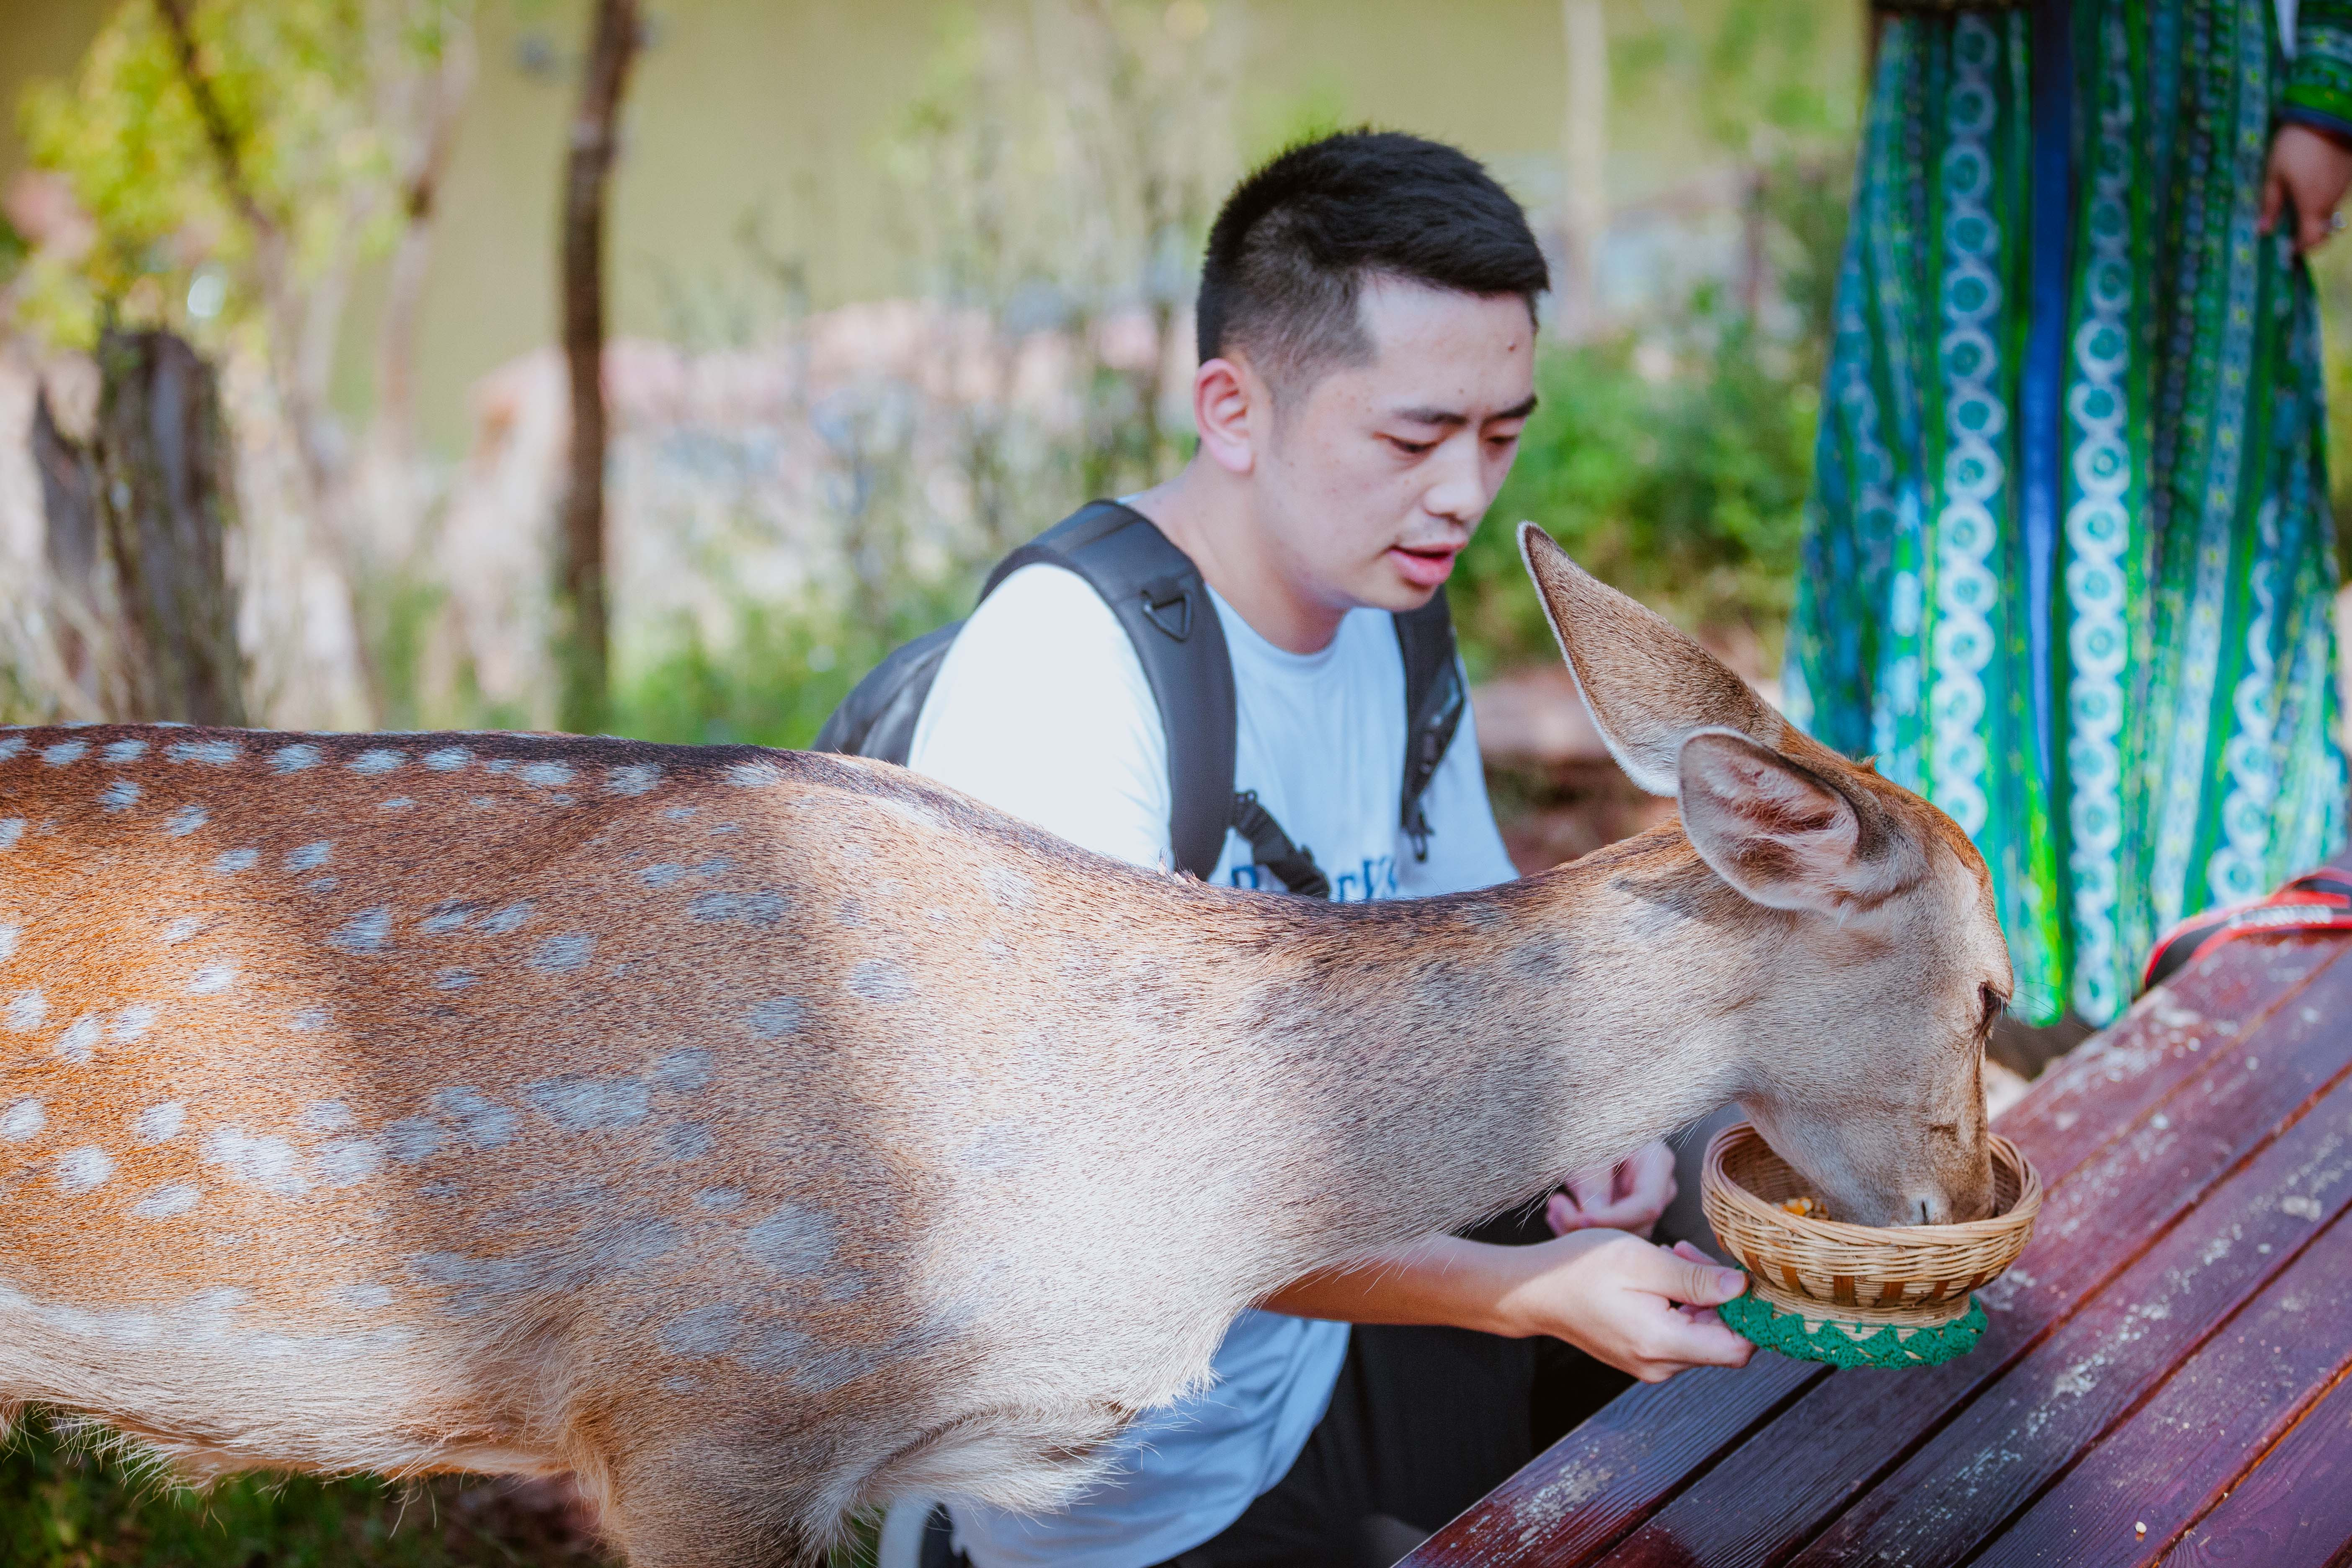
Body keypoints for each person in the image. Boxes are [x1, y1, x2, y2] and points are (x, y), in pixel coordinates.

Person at [904, 131, 1751, 1568]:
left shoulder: (1389, 615)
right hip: (1121, 1483)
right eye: (1415, 440)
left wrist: (1587, 1119)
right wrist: (1521, 1292)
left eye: (1501, 436)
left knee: (1719, 1171)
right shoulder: (1065, 675)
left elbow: (1483, 959)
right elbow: (1140, 1200)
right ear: (1232, 410)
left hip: (1340, 1332)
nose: (1465, 495)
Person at [1788, 0, 2352, 1048]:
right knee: (1949, 490)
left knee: (2202, 503)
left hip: (2186, 97)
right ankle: (1939, 944)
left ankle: (2216, 945)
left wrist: (2328, 92)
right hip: (1962, 88)